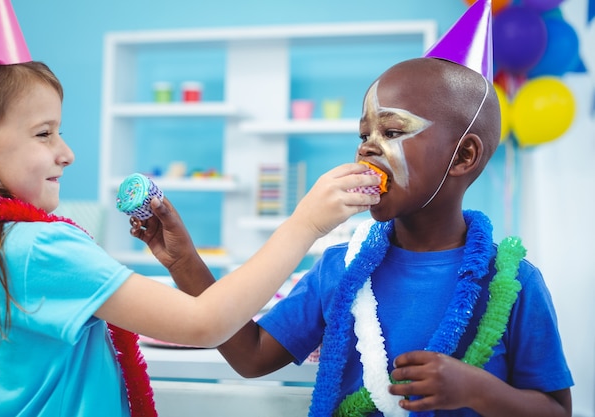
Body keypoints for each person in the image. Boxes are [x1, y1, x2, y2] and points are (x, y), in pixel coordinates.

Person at [142, 2, 574, 415]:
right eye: (364, 132)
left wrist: (476, 389)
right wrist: (185, 263)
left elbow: (556, 410)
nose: (368, 146)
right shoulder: (341, 267)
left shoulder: (513, 282)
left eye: (392, 129)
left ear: (463, 157)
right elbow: (251, 355)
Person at [0, 61, 380, 416]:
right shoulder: (37, 249)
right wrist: (304, 224)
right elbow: (205, 325)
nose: (67, 153)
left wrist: (185, 265)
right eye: (44, 134)